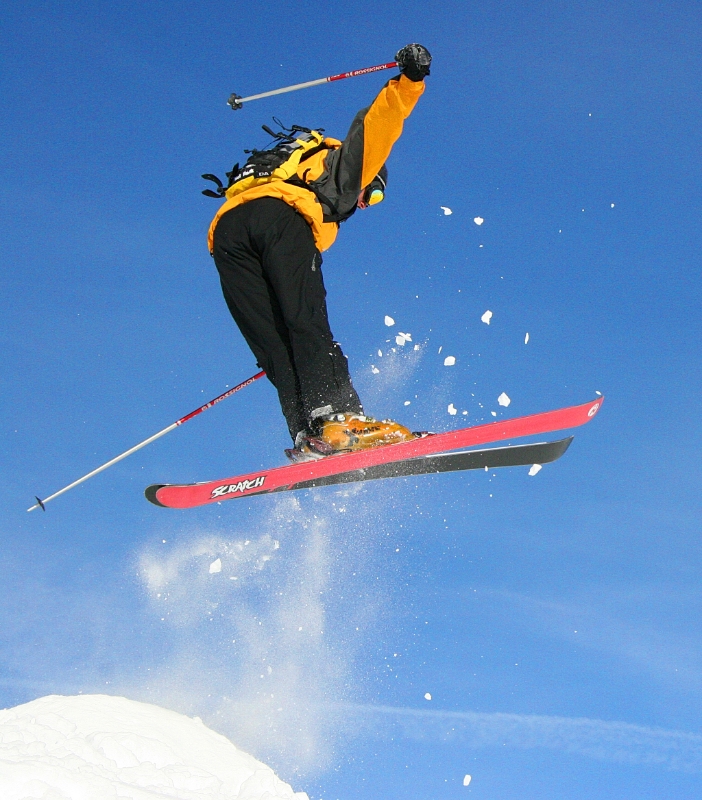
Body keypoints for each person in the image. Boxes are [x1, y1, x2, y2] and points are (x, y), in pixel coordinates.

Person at [208, 44, 432, 461]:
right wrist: (410, 82)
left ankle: (308, 434)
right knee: (306, 324)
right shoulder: (339, 168)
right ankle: (339, 420)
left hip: (227, 235)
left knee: (275, 346)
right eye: (375, 193)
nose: (365, 203)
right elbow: (375, 130)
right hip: (281, 220)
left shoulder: (288, 163)